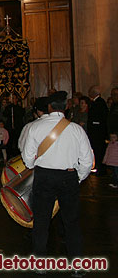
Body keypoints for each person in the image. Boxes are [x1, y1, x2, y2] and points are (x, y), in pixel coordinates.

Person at [22, 91, 93, 271]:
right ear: (66, 107)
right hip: (68, 177)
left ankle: (40, 264)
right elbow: (87, 160)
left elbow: (28, 157)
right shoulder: (76, 129)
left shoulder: (35, 128)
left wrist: (34, 164)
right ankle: (77, 265)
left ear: (49, 107)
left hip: (44, 176)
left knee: (41, 221)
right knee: (71, 222)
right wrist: (78, 177)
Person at [87, 85, 108, 175]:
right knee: (96, 150)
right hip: (96, 132)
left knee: (99, 151)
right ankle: (97, 167)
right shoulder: (96, 102)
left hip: (98, 132)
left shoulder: (99, 102)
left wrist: (94, 124)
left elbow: (101, 118)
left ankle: (100, 169)